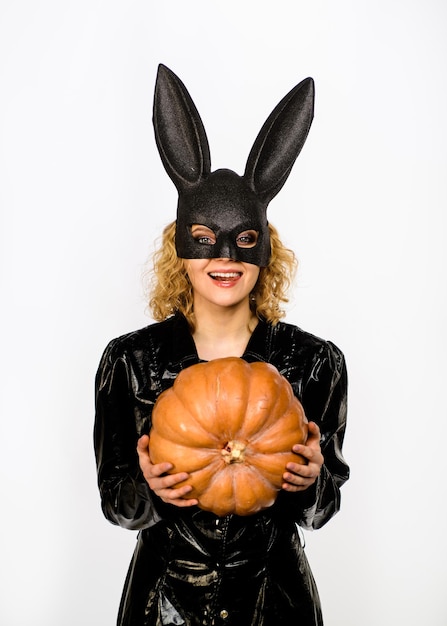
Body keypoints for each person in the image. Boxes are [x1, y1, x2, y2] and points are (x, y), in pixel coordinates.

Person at [94, 64, 349, 626]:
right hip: (164, 605)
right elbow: (116, 500)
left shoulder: (314, 363)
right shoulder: (130, 362)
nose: (225, 258)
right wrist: (150, 490)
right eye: (206, 240)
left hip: (273, 602)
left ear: (265, 250)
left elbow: (324, 507)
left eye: (244, 241)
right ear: (181, 246)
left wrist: (312, 484)